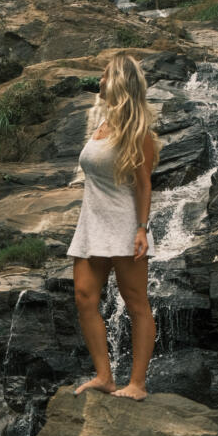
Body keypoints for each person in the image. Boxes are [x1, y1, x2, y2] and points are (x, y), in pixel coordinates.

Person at [67, 52, 160, 401]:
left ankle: (137, 384)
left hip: (124, 224)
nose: (100, 80)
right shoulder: (102, 123)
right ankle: (104, 377)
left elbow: (144, 185)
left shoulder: (138, 132)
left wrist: (141, 228)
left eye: (106, 75)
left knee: (136, 303)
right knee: (84, 297)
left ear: (119, 81)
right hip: (92, 223)